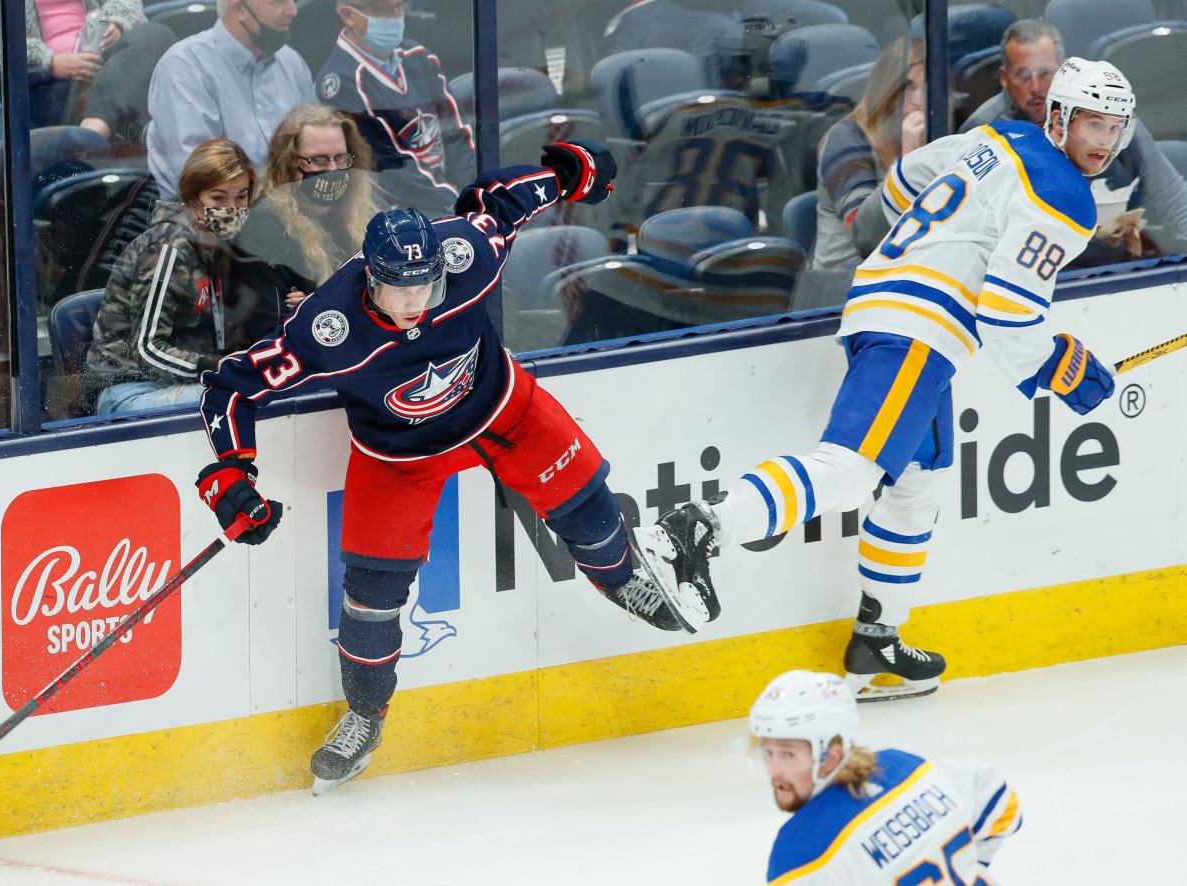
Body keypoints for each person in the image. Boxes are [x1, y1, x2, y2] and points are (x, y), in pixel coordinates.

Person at [191, 139, 706, 793]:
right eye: (397, 290)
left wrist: (568, 173)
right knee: (372, 599)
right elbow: (230, 388)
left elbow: (503, 201)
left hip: (503, 410)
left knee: (588, 512)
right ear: (368, 278)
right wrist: (232, 475)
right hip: (399, 455)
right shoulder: (326, 327)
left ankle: (622, 577)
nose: (416, 303)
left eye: (425, 285)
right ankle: (364, 715)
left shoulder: (466, 252)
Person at [639, 58, 1133, 701]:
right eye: (1093, 123)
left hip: (896, 307)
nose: (1105, 140)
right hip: (917, 328)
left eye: (1116, 127)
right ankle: (695, 528)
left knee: (914, 482)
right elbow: (1011, 311)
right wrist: (1064, 369)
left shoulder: (997, 139)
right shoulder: (1064, 197)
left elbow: (908, 177)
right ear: (1061, 119)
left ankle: (878, 641)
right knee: (849, 470)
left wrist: (920, 245)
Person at [751, 671, 1021, 883]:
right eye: (768, 752)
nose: (774, 770)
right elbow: (998, 800)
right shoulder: (905, 766)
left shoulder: (801, 849)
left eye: (788, 755)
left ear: (831, 756)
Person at [961, 20, 1187, 261]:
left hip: (1115, 271)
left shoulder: (1109, 118)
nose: (1036, 87)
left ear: (1062, 70)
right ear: (1004, 78)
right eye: (1024, 75)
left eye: (1046, 73)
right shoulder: (984, 131)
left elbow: (1174, 200)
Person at [87, 139, 276, 415]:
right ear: (193, 196)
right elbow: (147, 348)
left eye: (241, 196)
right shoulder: (168, 248)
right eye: (218, 197)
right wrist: (215, 366)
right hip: (129, 389)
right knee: (240, 397)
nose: (232, 208)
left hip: (184, 384)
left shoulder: (225, 248)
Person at [315, 0, 475, 216]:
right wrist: (456, 204)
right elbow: (391, 172)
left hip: (453, 199)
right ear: (348, 15)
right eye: (381, 11)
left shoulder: (420, 56)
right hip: (401, 213)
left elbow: (459, 135)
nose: (394, 17)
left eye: (399, 7)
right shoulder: (341, 84)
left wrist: (475, 193)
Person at [145, 0, 315, 199]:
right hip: (207, 218)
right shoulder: (184, 66)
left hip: (287, 211)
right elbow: (203, 179)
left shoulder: (291, 62)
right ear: (240, 9)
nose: (292, 11)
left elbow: (319, 146)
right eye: (277, 2)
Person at [0, 0, 174, 142]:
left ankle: (91, 133)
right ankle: (94, 133)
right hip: (39, 84)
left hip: (105, 66)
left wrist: (116, 23)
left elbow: (126, 3)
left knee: (156, 34)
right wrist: (49, 62)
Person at [234, 104, 387, 313]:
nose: (333, 169)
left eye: (341, 158)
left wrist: (316, 306)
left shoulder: (370, 207)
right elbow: (273, 328)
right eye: (319, 160)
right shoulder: (264, 227)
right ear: (289, 163)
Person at [813, 37, 925, 273]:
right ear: (886, 90)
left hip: (906, 275)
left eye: (927, 88)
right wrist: (907, 167)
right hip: (839, 288)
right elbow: (865, 236)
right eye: (907, 87)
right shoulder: (846, 138)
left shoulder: (936, 135)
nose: (919, 101)